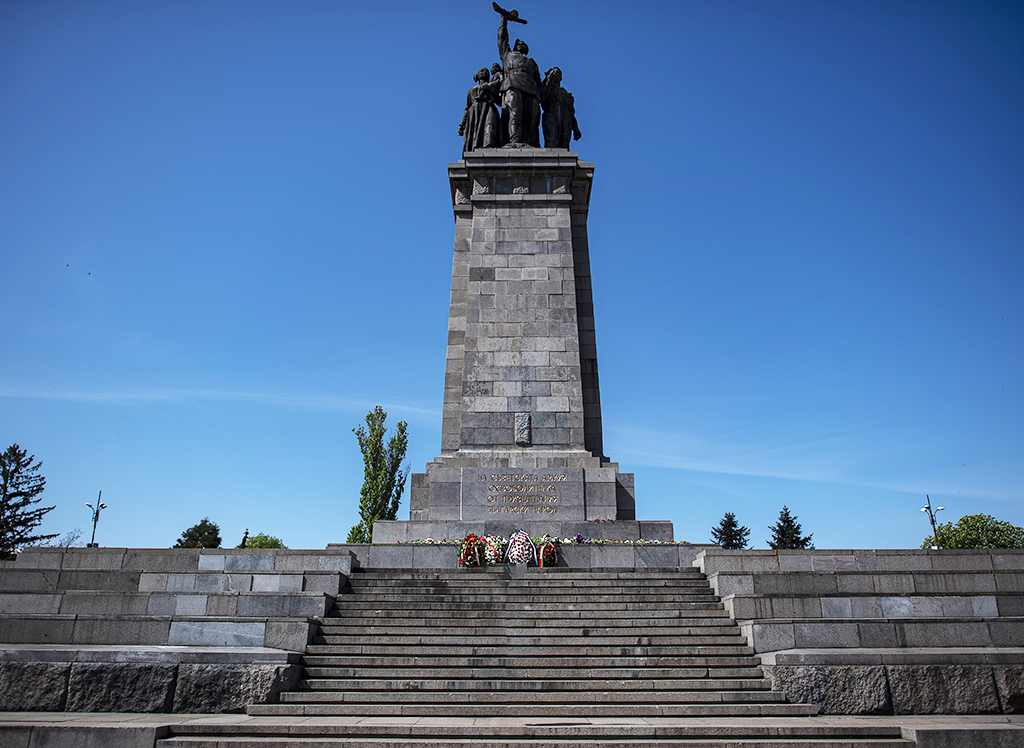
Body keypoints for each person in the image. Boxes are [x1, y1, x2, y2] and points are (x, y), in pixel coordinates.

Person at [496, 9, 541, 147]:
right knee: (515, 113)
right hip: (512, 85)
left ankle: (528, 142)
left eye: (523, 44)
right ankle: (514, 140)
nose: (520, 45)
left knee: (531, 120)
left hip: (531, 89)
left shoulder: (532, 62)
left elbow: (539, 82)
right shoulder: (507, 55)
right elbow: (502, 39)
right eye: (518, 44)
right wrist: (504, 20)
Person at [457, 67, 502, 152]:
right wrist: (461, 126)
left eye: (486, 71)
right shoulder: (471, 90)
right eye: (482, 71)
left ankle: (489, 150)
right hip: (474, 113)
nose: (484, 72)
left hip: (489, 108)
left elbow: (499, 100)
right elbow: (467, 109)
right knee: (475, 136)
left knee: (490, 128)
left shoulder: (491, 86)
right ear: (477, 76)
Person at [540, 67, 582, 149]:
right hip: (550, 115)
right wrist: (549, 82)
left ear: (561, 78)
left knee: (564, 143)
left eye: (558, 73)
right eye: (553, 73)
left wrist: (576, 129)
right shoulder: (544, 88)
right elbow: (541, 97)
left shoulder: (565, 93)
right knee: (551, 141)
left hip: (565, 118)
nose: (555, 74)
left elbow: (571, 114)